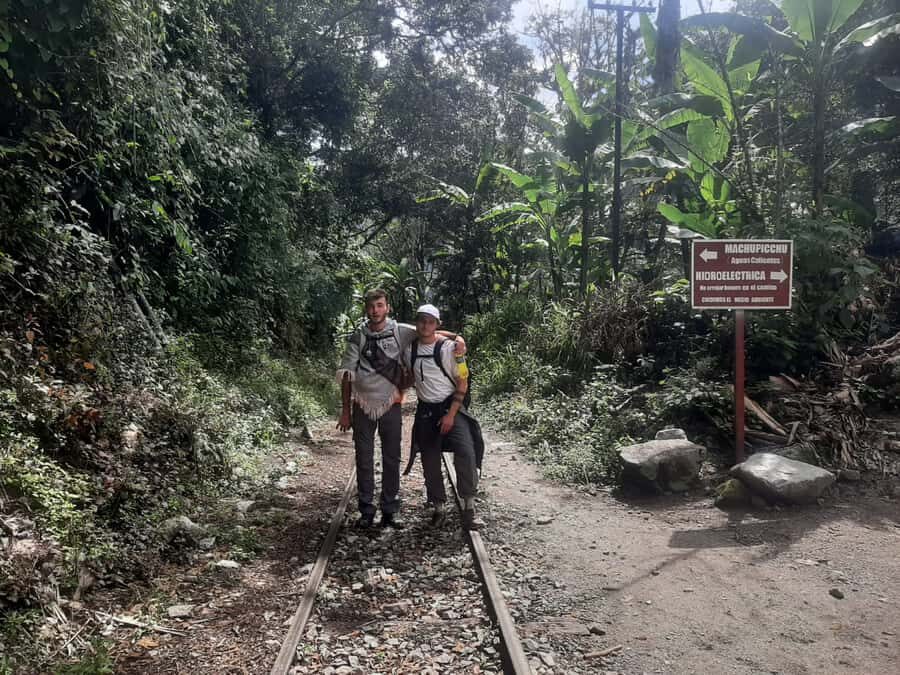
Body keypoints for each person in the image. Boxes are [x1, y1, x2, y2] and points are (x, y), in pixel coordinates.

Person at [336, 289, 465, 529]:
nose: (375, 310)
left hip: (391, 404)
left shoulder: (400, 331)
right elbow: (346, 376)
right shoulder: (358, 337)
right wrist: (345, 410)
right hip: (362, 403)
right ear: (366, 309)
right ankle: (366, 510)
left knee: (391, 457)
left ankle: (389, 509)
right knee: (364, 458)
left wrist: (457, 338)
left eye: (380, 305)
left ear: (387, 308)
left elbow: (428, 330)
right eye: (371, 306)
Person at [405, 303, 484, 531]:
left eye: (431, 321)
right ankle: (438, 507)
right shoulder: (409, 349)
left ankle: (469, 505)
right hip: (426, 409)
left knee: (465, 450)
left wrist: (451, 415)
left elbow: (463, 381)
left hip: (451, 406)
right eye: (421, 320)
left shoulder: (450, 349)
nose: (425, 325)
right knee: (429, 458)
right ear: (416, 322)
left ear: (437, 325)